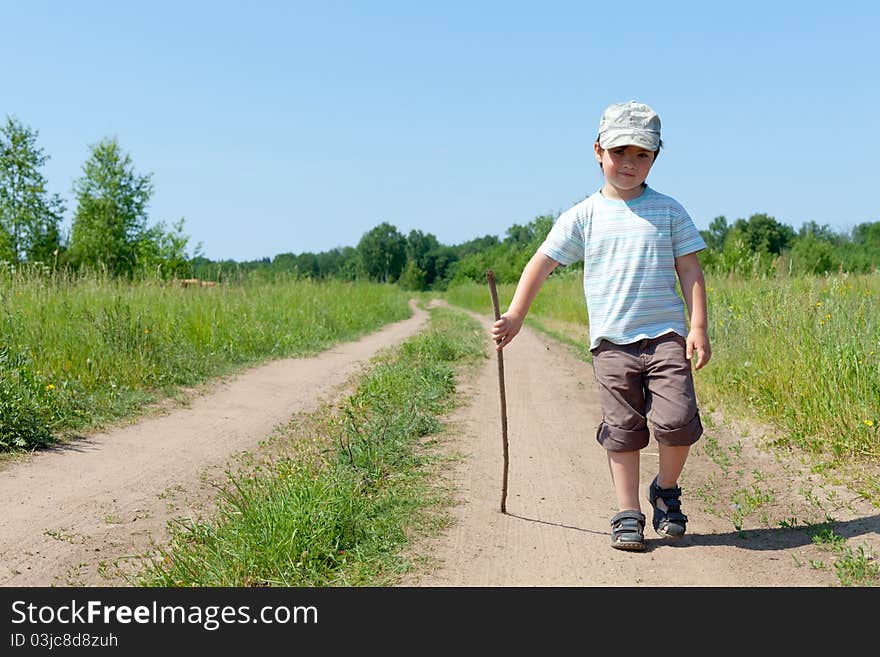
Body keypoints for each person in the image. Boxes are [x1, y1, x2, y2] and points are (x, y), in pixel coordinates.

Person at [491, 100, 711, 551]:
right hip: (611, 345)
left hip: (667, 336)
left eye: (642, 155)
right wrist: (516, 314)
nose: (629, 163)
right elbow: (542, 263)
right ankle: (627, 511)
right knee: (623, 428)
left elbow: (690, 270)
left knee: (676, 422)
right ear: (597, 151)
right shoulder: (583, 216)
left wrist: (698, 326)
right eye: (619, 153)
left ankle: (665, 490)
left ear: (655, 157)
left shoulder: (669, 211)